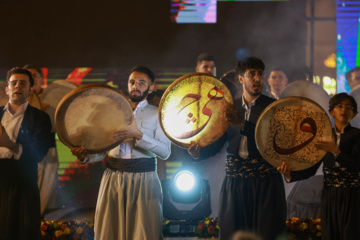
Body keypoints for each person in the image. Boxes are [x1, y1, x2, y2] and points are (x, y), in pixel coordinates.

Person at [188, 57, 286, 240]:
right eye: (251, 74)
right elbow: (217, 144)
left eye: (260, 74)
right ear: (241, 79)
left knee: (267, 233)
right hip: (235, 182)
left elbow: (272, 141)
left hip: (265, 181)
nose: (257, 79)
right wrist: (198, 152)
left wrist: (241, 124)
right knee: (232, 233)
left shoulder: (273, 106)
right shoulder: (227, 106)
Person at [71, 65, 171, 240]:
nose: (135, 86)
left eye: (141, 83)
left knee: (143, 233)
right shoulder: (112, 112)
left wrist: (138, 135)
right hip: (113, 178)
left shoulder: (158, 114)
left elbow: (165, 152)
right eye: (132, 82)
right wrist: (85, 156)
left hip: (144, 179)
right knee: (110, 232)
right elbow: (103, 150)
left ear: (151, 87)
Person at [278, 92, 360, 240]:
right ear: (331, 112)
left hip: (353, 195)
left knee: (351, 234)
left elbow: (356, 165)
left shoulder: (358, 135)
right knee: (330, 234)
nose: (343, 110)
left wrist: (335, 151)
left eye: (349, 107)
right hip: (329, 194)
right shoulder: (323, 136)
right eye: (339, 106)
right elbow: (312, 168)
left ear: (353, 114)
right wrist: (290, 175)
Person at [0, 67, 52, 240]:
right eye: (13, 83)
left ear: (30, 89)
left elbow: (38, 152)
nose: (17, 86)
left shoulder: (40, 118)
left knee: (23, 231)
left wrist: (10, 145)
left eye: (23, 83)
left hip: (24, 183)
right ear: (7, 89)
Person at [23, 64, 59, 215]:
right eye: (28, 75)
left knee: (48, 188)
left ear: (41, 79)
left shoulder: (51, 98)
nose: (32, 78)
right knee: (29, 186)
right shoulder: (19, 100)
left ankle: (43, 223)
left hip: (48, 149)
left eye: (35, 75)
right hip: (26, 151)